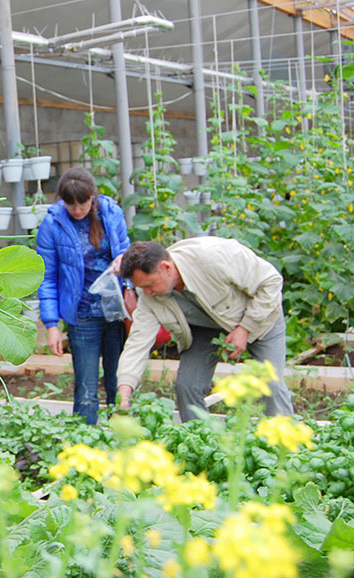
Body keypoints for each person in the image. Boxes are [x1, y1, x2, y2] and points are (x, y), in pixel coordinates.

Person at [115, 239, 295, 421]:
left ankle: (286, 444)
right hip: (205, 328)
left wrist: (245, 329)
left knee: (271, 384)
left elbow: (271, 281)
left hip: (260, 317)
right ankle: (198, 441)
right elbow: (137, 343)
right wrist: (123, 392)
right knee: (188, 385)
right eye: (141, 287)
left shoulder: (213, 256)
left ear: (166, 267)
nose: (146, 293)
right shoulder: (149, 296)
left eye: (149, 285)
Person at [36, 166, 130, 425]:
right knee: (86, 390)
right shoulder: (53, 224)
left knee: (119, 382)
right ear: (62, 201)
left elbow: (126, 250)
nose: (78, 210)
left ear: (93, 197)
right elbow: (47, 276)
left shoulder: (111, 213)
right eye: (71, 204)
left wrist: (124, 262)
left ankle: (122, 439)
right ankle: (85, 449)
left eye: (83, 203)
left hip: (117, 312)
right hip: (83, 316)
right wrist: (52, 325)